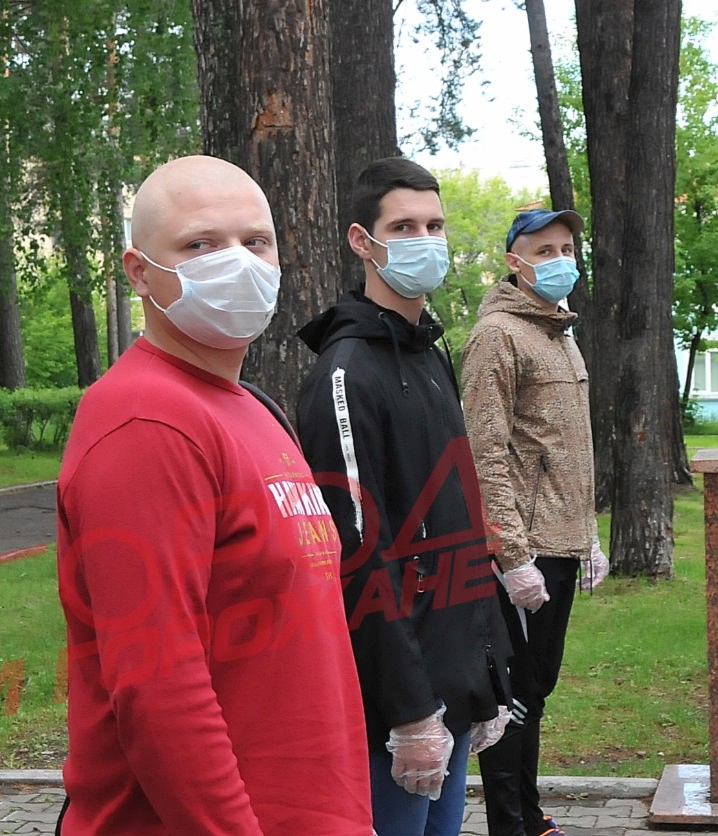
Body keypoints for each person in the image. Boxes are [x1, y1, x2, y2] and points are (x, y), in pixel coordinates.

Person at [55, 155, 372, 835]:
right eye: (200, 244)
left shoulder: (248, 407)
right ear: (139, 271)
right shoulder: (146, 422)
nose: (237, 262)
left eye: (255, 241)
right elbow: (159, 690)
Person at [294, 156, 511, 836]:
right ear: (362, 241)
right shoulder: (346, 372)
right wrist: (410, 712)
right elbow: (357, 553)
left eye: (435, 225)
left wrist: (489, 674)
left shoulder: (430, 354)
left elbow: (460, 520)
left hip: (453, 685)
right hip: (396, 706)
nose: (426, 240)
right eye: (404, 226)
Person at [461, 208, 607, 836]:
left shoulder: (560, 333)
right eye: (543, 251)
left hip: (563, 542)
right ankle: (510, 823)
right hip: (525, 547)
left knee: (536, 688)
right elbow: (485, 451)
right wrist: (511, 554)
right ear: (514, 262)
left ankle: (529, 814)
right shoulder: (498, 335)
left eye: (566, 248)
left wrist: (589, 536)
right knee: (514, 692)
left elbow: (569, 448)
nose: (559, 261)